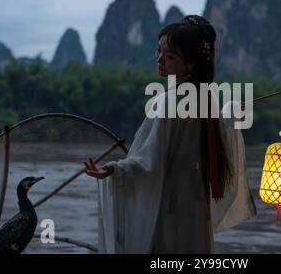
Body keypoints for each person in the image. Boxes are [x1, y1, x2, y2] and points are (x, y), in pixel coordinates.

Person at [84, 15, 256, 254]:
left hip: (168, 207)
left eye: (171, 56)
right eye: (159, 52)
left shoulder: (169, 101)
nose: (160, 60)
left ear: (192, 63)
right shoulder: (207, 97)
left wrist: (114, 169)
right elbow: (216, 135)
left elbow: (149, 163)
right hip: (195, 205)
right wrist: (230, 113)